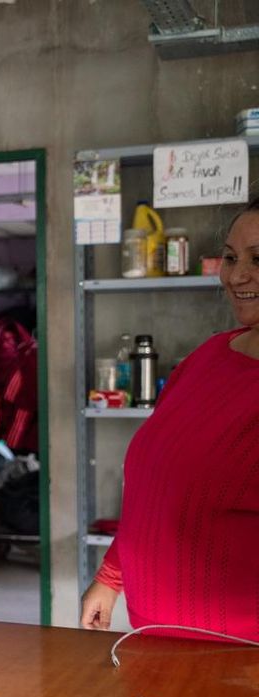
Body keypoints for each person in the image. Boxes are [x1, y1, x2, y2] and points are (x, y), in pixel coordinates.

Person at [81, 198, 259, 641]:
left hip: (239, 656)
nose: (238, 276)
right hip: (157, 637)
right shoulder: (207, 358)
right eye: (232, 257)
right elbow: (157, 483)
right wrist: (111, 576)